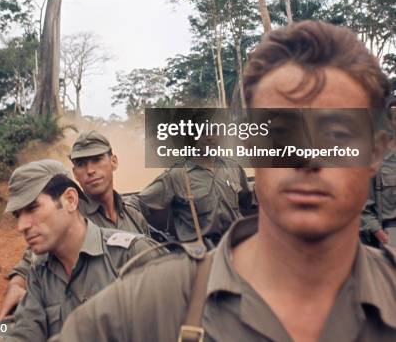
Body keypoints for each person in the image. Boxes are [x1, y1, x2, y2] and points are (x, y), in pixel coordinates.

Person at [55, 21, 396, 342]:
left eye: (336, 134)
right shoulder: (148, 306)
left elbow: (244, 203)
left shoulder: (231, 170)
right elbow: (147, 206)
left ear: (376, 152)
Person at [1, 159, 162, 340]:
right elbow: (23, 333)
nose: (21, 226)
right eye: (18, 216)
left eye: (32, 208)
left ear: (70, 200)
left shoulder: (132, 255)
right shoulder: (40, 274)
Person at [0, 131, 149, 319]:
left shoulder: (133, 215)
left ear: (114, 162)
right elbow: (33, 259)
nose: (90, 170)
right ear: (75, 174)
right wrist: (17, 284)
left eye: (96, 159)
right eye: (80, 164)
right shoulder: (73, 220)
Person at [137, 134, 251, 246]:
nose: (210, 137)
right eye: (202, 132)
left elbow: (247, 202)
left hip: (237, 243)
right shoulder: (177, 174)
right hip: (202, 252)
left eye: (215, 131)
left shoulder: (233, 167)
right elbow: (140, 202)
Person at [361, 97, 396, 247]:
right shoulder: (376, 159)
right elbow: (363, 206)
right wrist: (380, 234)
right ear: (391, 122)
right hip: (392, 234)